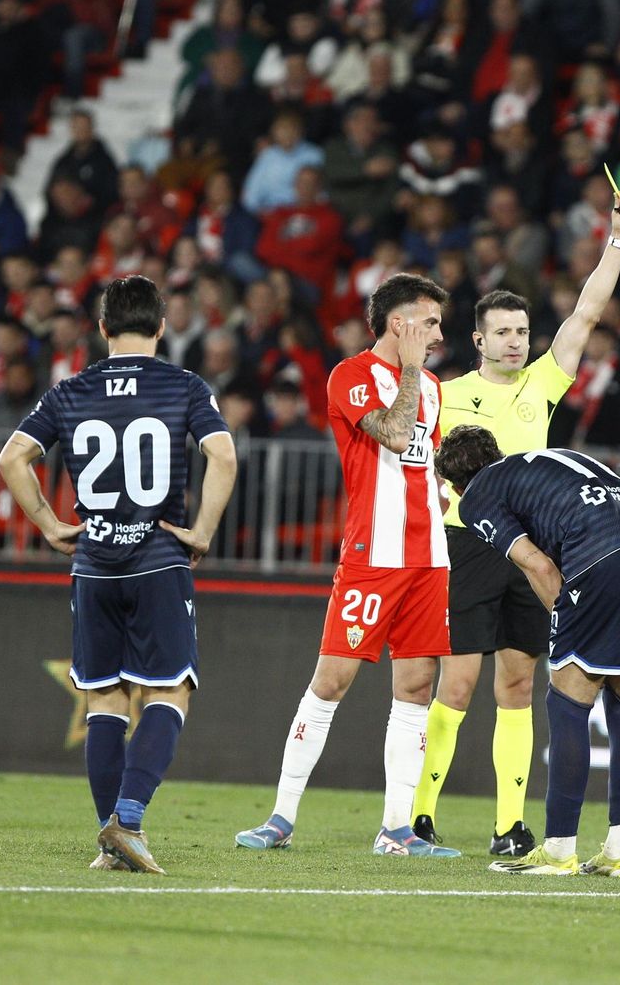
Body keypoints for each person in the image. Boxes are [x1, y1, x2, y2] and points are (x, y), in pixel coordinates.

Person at [410, 195, 620, 858]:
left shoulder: (541, 383)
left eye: (522, 330)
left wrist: (618, 240)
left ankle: (509, 828)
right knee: (457, 686)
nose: (515, 340)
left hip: (529, 549)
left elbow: (588, 312)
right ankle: (417, 817)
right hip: (465, 543)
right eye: (503, 332)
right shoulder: (444, 395)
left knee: (516, 686)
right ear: (479, 341)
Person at [0, 276, 238, 874]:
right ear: (162, 327)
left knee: (104, 697)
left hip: (94, 564)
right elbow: (223, 455)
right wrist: (203, 530)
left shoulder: (70, 390)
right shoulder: (184, 385)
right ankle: (126, 822)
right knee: (170, 690)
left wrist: (49, 524)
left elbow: (13, 458)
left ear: (102, 328)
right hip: (158, 558)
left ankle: (112, 836)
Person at [236, 274, 460, 858]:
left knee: (416, 687)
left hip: (428, 558)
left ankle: (396, 830)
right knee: (331, 681)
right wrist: (410, 369)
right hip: (372, 557)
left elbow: (425, 461)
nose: (438, 334)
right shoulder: (351, 376)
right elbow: (394, 434)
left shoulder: (433, 386)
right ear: (399, 324)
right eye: (429, 323)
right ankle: (281, 818)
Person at [436, 427, 620, 878]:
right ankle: (618, 853)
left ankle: (558, 850)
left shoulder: (477, 497)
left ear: (454, 486)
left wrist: (567, 626)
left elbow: (539, 565)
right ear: (498, 452)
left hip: (605, 558)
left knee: (567, 702)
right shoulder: (549, 460)